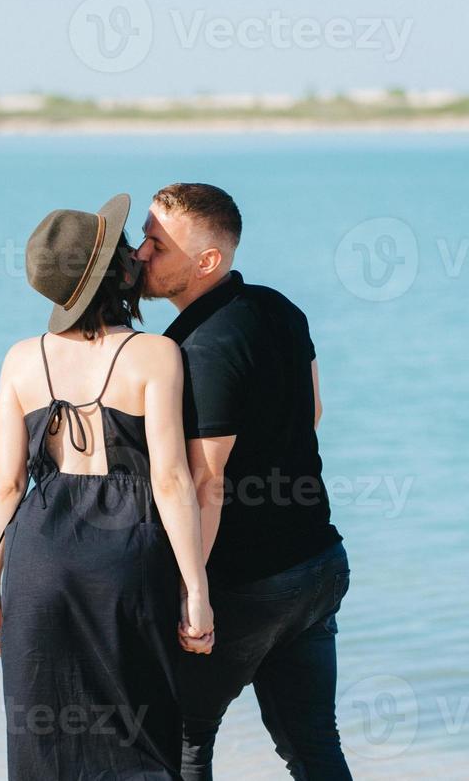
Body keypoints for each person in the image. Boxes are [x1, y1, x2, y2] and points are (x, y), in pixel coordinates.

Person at [0, 192, 215, 781]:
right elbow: (170, 478)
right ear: (119, 274)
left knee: (45, 740)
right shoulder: (154, 354)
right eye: (124, 251)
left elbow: (6, 484)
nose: (137, 253)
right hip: (125, 556)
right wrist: (196, 588)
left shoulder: (19, 359)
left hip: (38, 558)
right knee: (140, 735)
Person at [135, 182, 353, 781]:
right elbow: (312, 412)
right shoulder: (279, 306)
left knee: (180, 745)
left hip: (243, 584)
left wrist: (192, 592)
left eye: (155, 244)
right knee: (312, 748)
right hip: (316, 565)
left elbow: (206, 482)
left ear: (207, 261)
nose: (139, 255)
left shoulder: (194, 348)